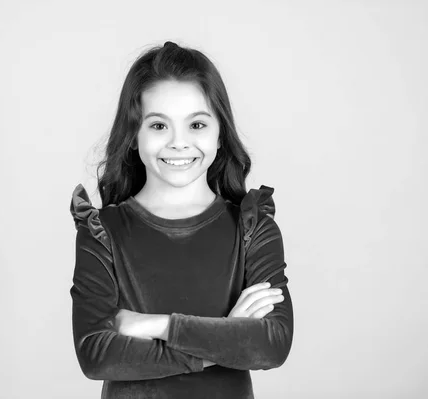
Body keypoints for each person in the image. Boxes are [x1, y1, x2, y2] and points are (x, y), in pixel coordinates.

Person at [69, 41, 294, 399]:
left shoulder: (253, 228)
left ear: (220, 133)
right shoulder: (103, 233)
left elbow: (272, 345)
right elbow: (98, 356)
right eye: (159, 126)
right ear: (134, 136)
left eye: (197, 124)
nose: (178, 143)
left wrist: (153, 325)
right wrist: (227, 336)